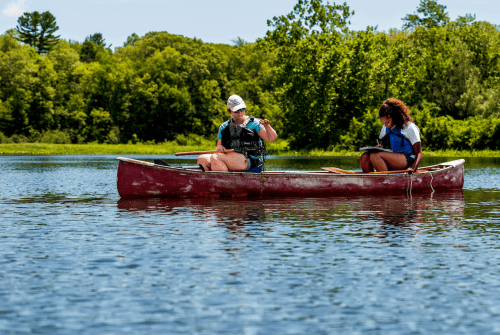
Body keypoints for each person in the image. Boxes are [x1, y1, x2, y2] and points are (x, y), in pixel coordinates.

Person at [197, 95, 277, 172]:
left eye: (242, 109)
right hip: (230, 158)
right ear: (229, 111)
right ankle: (207, 183)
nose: (240, 112)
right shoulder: (223, 126)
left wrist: (267, 127)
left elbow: (272, 139)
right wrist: (219, 147)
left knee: (216, 157)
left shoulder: (255, 123)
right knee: (202, 159)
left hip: (251, 160)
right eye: (236, 110)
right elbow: (218, 146)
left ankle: (224, 183)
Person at [360, 98, 422, 173]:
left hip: (408, 160)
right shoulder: (385, 128)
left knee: (375, 156)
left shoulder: (410, 127)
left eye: (387, 122)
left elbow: (419, 153)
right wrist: (379, 147)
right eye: (383, 123)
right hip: (392, 158)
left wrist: (412, 168)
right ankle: (370, 182)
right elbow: (384, 146)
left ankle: (386, 181)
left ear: (394, 117)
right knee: (364, 157)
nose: (385, 125)